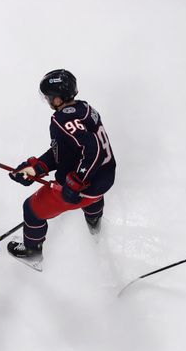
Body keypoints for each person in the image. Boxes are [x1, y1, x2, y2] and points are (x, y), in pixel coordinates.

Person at [7, 69, 116, 270]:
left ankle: (32, 254)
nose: (47, 100)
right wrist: (37, 167)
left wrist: (77, 181)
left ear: (57, 99)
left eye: (48, 97)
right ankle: (94, 222)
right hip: (104, 180)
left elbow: (94, 149)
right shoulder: (85, 108)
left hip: (84, 188)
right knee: (93, 196)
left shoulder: (62, 120)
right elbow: (68, 150)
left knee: (31, 210)